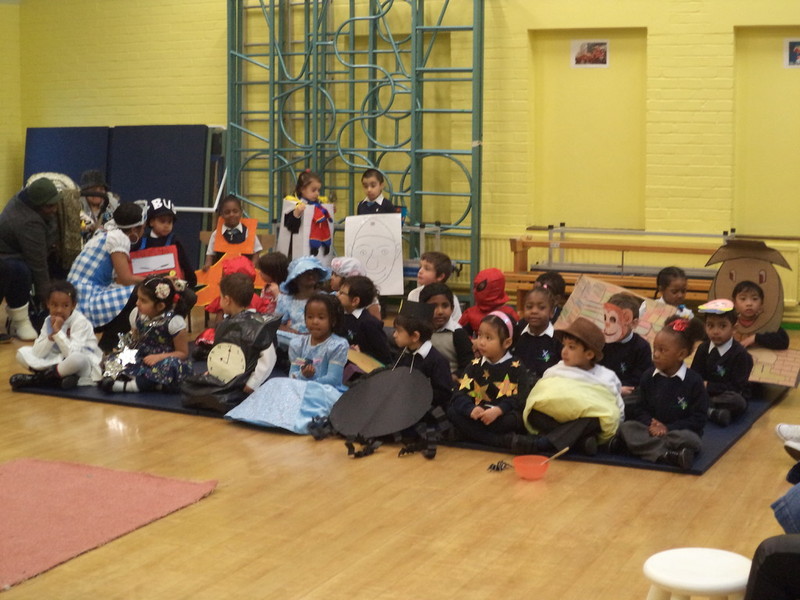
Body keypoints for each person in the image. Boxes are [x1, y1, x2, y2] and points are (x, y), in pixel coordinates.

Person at [226, 293, 349, 434]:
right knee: (274, 382)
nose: (314, 322)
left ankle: (292, 421)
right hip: (300, 385)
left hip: (324, 391)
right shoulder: (298, 343)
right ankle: (259, 416)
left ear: (333, 320)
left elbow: (334, 379)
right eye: (310, 317)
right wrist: (302, 375)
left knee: (307, 391)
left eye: (321, 318)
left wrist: (309, 381)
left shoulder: (337, 345)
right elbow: (292, 375)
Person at [613, 316, 708, 470]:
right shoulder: (648, 376)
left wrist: (667, 428)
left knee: (691, 440)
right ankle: (668, 455)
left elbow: (698, 419)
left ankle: (640, 448)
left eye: (662, 350)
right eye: (655, 349)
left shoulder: (694, 382)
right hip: (649, 430)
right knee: (626, 427)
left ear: (681, 354)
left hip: (676, 432)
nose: (656, 354)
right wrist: (650, 424)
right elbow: (639, 408)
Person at [521, 317, 624, 456]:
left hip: (582, 421)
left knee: (598, 419)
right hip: (555, 419)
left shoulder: (606, 377)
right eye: (564, 345)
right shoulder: (555, 369)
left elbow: (617, 407)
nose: (564, 351)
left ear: (589, 354)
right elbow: (542, 391)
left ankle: (546, 442)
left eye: (571, 347)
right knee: (533, 411)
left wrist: (616, 425)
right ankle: (580, 442)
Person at [447, 311, 535, 450]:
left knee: (516, 419)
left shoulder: (516, 366)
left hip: (501, 415)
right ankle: (500, 440)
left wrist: (499, 410)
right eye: (479, 335)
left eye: (488, 338)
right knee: (452, 411)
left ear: (507, 342)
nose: (481, 342)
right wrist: (470, 409)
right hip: (479, 414)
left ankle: (468, 433)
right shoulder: (474, 365)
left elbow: (520, 398)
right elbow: (459, 393)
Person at [67, 202, 147, 352]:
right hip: (85, 299)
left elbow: (118, 279)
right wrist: (155, 279)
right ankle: (108, 347)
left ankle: (106, 347)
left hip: (76, 296)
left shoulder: (105, 233)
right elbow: (126, 279)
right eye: (143, 227)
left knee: (132, 293)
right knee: (139, 293)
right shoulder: (119, 238)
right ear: (135, 229)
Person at [99, 275, 192, 393]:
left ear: (160, 306)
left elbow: (183, 353)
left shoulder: (174, 322)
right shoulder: (136, 314)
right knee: (114, 358)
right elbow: (134, 340)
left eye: (143, 301)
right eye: (138, 298)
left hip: (164, 360)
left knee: (170, 366)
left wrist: (159, 357)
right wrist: (122, 352)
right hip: (143, 357)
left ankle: (128, 386)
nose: (137, 303)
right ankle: (152, 383)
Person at [0, 177, 63, 340]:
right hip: (7, 258)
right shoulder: (27, 222)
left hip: (17, 251)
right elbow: (38, 265)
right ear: (38, 205)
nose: (55, 209)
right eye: (49, 206)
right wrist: (49, 301)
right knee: (21, 271)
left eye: (55, 203)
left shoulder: (25, 198)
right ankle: (21, 320)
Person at [9, 280, 102, 390]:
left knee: (77, 359)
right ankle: (59, 379)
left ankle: (37, 380)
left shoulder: (80, 322)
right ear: (48, 304)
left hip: (83, 364)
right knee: (21, 353)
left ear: (73, 305)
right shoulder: (48, 321)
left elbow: (72, 354)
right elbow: (37, 353)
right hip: (57, 362)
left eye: (65, 306)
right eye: (54, 305)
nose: (59, 310)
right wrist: (50, 338)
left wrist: (57, 332)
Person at [690, 298, 753, 426]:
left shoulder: (741, 354)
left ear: (734, 328)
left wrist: (708, 386)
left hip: (726, 395)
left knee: (737, 401)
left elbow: (736, 387)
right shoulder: (703, 348)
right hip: (705, 392)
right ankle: (712, 412)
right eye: (710, 325)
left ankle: (702, 409)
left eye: (722, 326)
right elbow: (695, 374)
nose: (715, 331)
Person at [217, 272, 278, 393]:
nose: (220, 301)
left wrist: (252, 384)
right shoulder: (226, 323)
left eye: (220, 297)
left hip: (245, 384)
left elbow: (269, 358)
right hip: (228, 377)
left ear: (227, 300)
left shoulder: (257, 326)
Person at [392, 300, 453, 410]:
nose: (394, 335)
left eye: (399, 331)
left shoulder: (437, 361)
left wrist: (415, 394)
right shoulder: (403, 353)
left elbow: (444, 394)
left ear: (415, 336)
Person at [132, 197, 197, 290]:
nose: (166, 225)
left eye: (170, 222)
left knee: (191, 297)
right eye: (162, 221)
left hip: (171, 289)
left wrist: (191, 283)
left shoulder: (174, 241)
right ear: (151, 222)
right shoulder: (141, 241)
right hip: (145, 289)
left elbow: (185, 263)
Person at [599, 292, 652, 403]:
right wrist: (613, 389)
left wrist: (620, 389)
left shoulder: (642, 347)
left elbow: (640, 379)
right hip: (603, 390)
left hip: (628, 395)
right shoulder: (600, 342)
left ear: (633, 323)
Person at [419, 282, 472, 378]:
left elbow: (469, 365)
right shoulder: (417, 332)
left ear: (452, 308)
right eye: (434, 306)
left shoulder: (458, 334)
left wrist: (454, 376)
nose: (440, 312)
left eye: (445, 306)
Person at [275, 256, 330, 348]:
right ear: (296, 277)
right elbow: (276, 324)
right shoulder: (286, 300)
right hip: (294, 344)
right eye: (306, 273)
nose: (311, 276)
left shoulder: (326, 298)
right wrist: (289, 330)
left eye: (314, 272)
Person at [338, 274, 393, 365]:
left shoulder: (369, 323)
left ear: (355, 301)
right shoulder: (342, 316)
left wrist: (362, 355)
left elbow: (384, 356)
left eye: (341, 293)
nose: (337, 295)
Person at [202, 194, 263, 271]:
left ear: (241, 212)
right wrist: (208, 265)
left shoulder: (248, 232)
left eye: (235, 211)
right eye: (227, 212)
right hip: (222, 273)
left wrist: (252, 266)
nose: (231, 215)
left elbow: (256, 252)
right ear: (222, 214)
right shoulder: (216, 234)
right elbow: (210, 254)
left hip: (244, 273)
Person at [512, 285, 562, 379]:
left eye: (541, 308)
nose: (534, 311)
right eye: (529, 307)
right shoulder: (517, 332)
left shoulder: (558, 338)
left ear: (551, 312)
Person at [282, 171, 334, 260]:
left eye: (318, 190)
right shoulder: (293, 202)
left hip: (319, 255)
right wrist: (296, 214)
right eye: (313, 190)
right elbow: (290, 227)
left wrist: (331, 209)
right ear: (302, 189)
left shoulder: (320, 203)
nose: (317, 193)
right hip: (296, 253)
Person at [459, 268, 519, 337]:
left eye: (480, 287)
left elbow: (516, 339)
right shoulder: (469, 314)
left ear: (495, 287)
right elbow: (460, 338)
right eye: (475, 286)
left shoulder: (509, 315)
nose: (475, 291)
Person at [407, 250, 462, 325]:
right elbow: (408, 322)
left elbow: (457, 324)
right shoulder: (413, 294)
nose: (420, 271)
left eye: (427, 269)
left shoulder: (451, 298)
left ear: (440, 276)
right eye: (420, 267)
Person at [733, 280, 790, 350]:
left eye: (754, 299)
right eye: (743, 299)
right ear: (734, 303)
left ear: (761, 303)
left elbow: (784, 341)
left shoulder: (766, 322)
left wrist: (756, 338)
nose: (749, 303)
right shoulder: (731, 322)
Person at [78, 169, 117, 241]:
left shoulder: (112, 207)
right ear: (85, 192)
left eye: (101, 189)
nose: (98, 193)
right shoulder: (76, 208)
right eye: (93, 190)